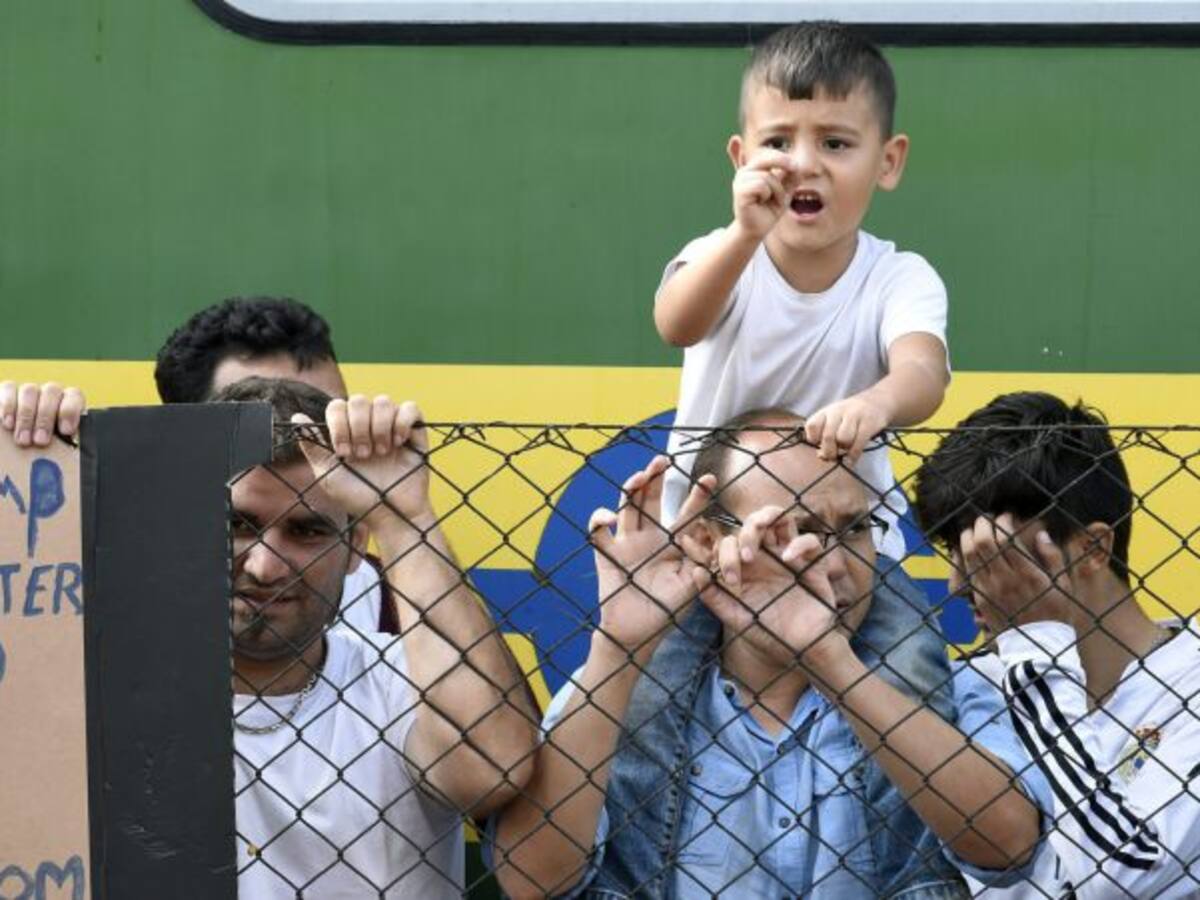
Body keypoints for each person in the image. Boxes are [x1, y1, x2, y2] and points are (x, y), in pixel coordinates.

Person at [490, 409, 1051, 899]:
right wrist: (619, 648)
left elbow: (1010, 849)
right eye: (797, 529)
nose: (831, 562)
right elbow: (530, 880)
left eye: (855, 528)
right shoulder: (617, 696)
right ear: (709, 543)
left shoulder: (945, 692)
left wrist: (829, 660)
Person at [219, 376, 537, 896]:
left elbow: (492, 766)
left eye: (307, 531)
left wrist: (404, 519)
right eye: (238, 524)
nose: (265, 564)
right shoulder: (113, 692)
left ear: (354, 548)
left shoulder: (402, 681)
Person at [654, 22, 948, 561]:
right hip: (712, 538)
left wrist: (876, 403)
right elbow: (677, 324)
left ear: (888, 161)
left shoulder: (899, 277)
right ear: (741, 159)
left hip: (852, 549)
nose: (804, 163)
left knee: (909, 648)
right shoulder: (722, 253)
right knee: (669, 649)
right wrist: (745, 233)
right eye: (778, 142)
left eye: (835, 143)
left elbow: (924, 374)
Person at [913, 391, 1200, 898]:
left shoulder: (1190, 682)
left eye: (988, 555)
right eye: (954, 552)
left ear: (1091, 549)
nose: (958, 585)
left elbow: (1116, 876)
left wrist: (1035, 642)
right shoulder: (966, 687)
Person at [0, 296, 388, 634]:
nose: (300, 439)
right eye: (264, 419)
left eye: (325, 419)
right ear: (181, 441)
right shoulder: (95, 580)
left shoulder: (387, 593)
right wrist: (19, 459)